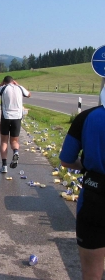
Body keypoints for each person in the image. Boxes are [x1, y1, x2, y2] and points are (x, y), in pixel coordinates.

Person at [59, 87, 105, 280]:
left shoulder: (87, 117)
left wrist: (85, 166)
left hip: (95, 197)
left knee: (91, 274)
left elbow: (66, 159)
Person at [0, 76, 31, 173]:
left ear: (4, 82)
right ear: (13, 81)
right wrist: (18, 85)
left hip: (6, 117)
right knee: (14, 141)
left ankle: (4, 166)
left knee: (4, 141)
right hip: (17, 117)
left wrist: (0, 85)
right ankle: (16, 152)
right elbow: (29, 94)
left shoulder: (3, 88)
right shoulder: (19, 88)